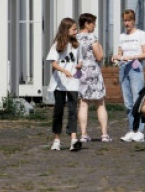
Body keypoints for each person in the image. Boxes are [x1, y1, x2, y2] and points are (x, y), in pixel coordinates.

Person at [111, 9, 145, 142]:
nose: (126, 23)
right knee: (128, 102)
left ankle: (140, 130)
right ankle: (132, 129)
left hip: (135, 67)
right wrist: (116, 58)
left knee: (137, 100)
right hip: (124, 68)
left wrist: (132, 57)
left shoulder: (141, 34)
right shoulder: (122, 36)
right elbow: (120, 53)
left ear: (134, 21)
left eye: (129, 20)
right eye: (125, 21)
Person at [46, 17, 83, 151]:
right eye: (73, 29)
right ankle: (57, 139)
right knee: (58, 111)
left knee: (73, 110)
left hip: (73, 82)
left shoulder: (76, 45)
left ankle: (73, 138)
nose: (76, 31)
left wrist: (79, 66)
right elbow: (54, 64)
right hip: (59, 84)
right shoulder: (57, 45)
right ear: (66, 30)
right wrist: (64, 70)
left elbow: (80, 61)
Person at [75, 13, 110, 143]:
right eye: (92, 23)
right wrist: (100, 46)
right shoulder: (92, 38)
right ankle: (104, 134)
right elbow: (99, 56)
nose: (94, 26)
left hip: (80, 73)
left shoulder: (75, 38)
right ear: (86, 24)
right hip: (93, 72)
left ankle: (83, 134)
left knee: (83, 104)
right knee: (100, 103)